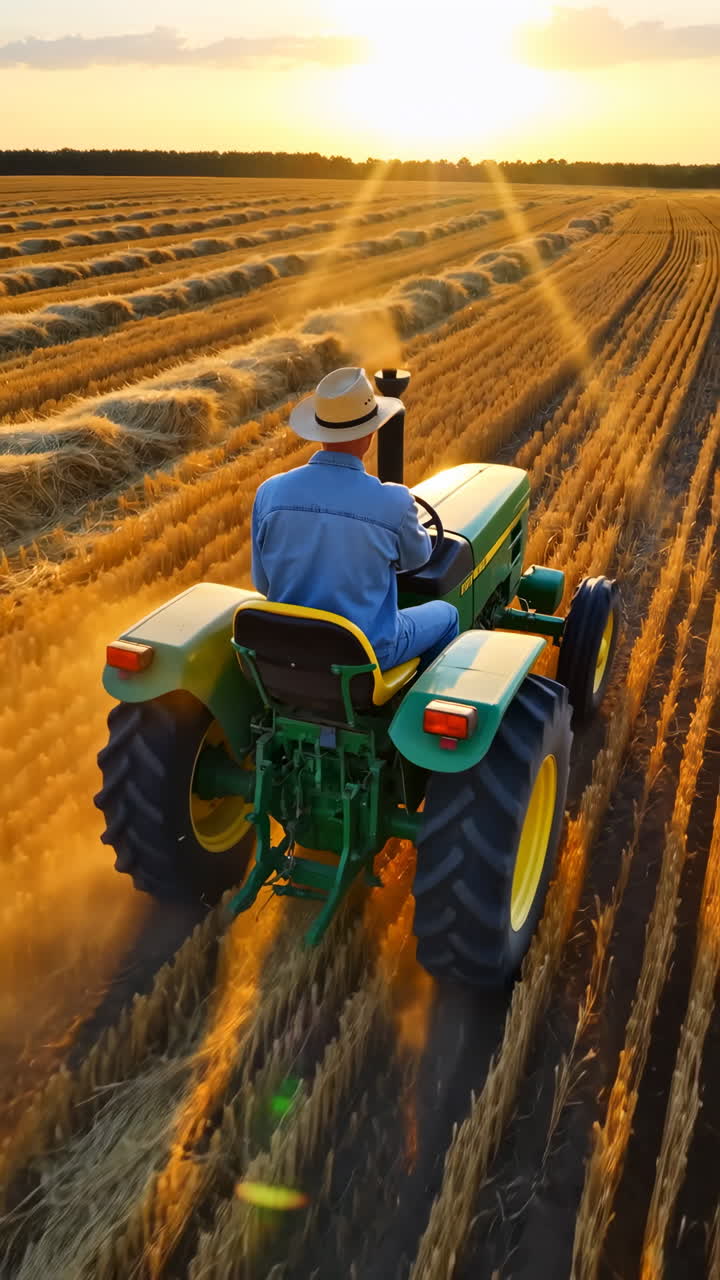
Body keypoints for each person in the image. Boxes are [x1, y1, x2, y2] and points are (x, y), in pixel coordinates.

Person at [251, 366, 459, 672]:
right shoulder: (395, 501)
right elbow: (416, 560)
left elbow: (263, 583)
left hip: (287, 652)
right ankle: (407, 703)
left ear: (319, 432)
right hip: (363, 655)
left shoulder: (270, 492)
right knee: (447, 615)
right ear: (370, 433)